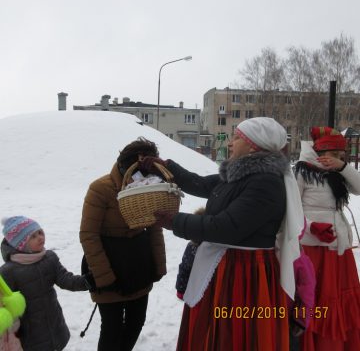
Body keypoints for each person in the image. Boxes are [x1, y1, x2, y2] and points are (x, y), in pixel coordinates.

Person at [140, 117, 305, 351]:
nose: (230, 143)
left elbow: (226, 227)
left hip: (245, 274)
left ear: (254, 145)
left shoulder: (266, 182)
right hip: (226, 266)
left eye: (237, 137)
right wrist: (165, 166)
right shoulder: (239, 174)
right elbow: (198, 183)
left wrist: (175, 221)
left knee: (236, 336)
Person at [79, 137, 167, 351]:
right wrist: (104, 277)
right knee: (112, 327)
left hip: (137, 264)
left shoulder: (148, 186)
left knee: (136, 322)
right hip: (109, 265)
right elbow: (88, 234)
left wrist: (158, 264)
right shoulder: (101, 189)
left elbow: (155, 227)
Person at [294, 126, 360, 350]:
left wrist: (342, 167)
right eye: (337, 156)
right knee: (317, 299)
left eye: (343, 157)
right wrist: (312, 227)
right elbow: (291, 211)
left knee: (339, 299)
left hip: (338, 247)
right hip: (314, 250)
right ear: (322, 152)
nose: (340, 160)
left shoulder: (337, 173)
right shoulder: (302, 171)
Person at [0, 216, 89, 351]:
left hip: (54, 324)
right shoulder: (8, 271)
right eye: (33, 236)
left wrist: (88, 281)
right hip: (29, 334)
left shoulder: (49, 258)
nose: (40, 237)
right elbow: (5, 306)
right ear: (21, 244)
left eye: (40, 232)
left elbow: (66, 280)